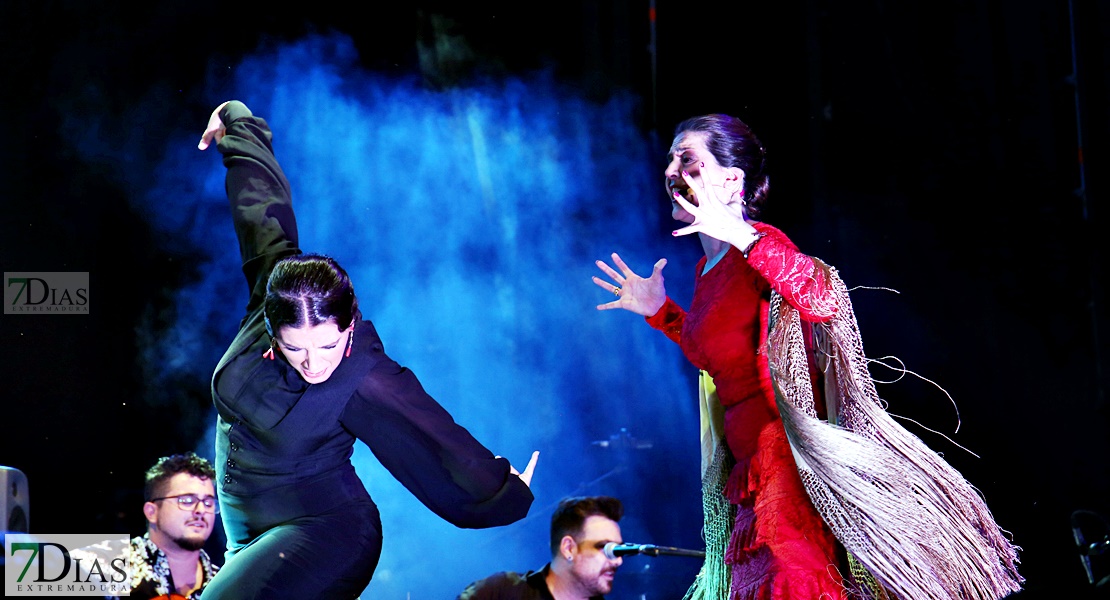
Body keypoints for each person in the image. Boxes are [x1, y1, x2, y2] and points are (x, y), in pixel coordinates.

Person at [592, 114, 1023, 599]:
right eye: (670, 158)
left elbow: (822, 298)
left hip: (781, 459)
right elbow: (715, 358)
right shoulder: (707, 268)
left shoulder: (762, 242)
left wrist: (743, 235)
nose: (671, 168)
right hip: (745, 467)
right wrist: (661, 312)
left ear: (731, 179)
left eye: (687, 158)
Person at [196, 100, 539, 599]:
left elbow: (434, 433)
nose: (314, 362)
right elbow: (261, 207)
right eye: (295, 348)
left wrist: (502, 487)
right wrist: (236, 121)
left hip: (325, 531)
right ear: (270, 327)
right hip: (247, 531)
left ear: (349, 327)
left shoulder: (367, 376)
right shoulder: (270, 291)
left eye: (328, 344)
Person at [458, 496, 624, 600]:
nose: (618, 560)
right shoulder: (502, 591)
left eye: (619, 549)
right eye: (605, 547)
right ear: (568, 549)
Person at [127, 452, 222, 599]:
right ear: (152, 512)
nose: (201, 510)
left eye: (208, 503)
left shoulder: (224, 584)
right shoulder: (102, 562)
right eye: (187, 501)